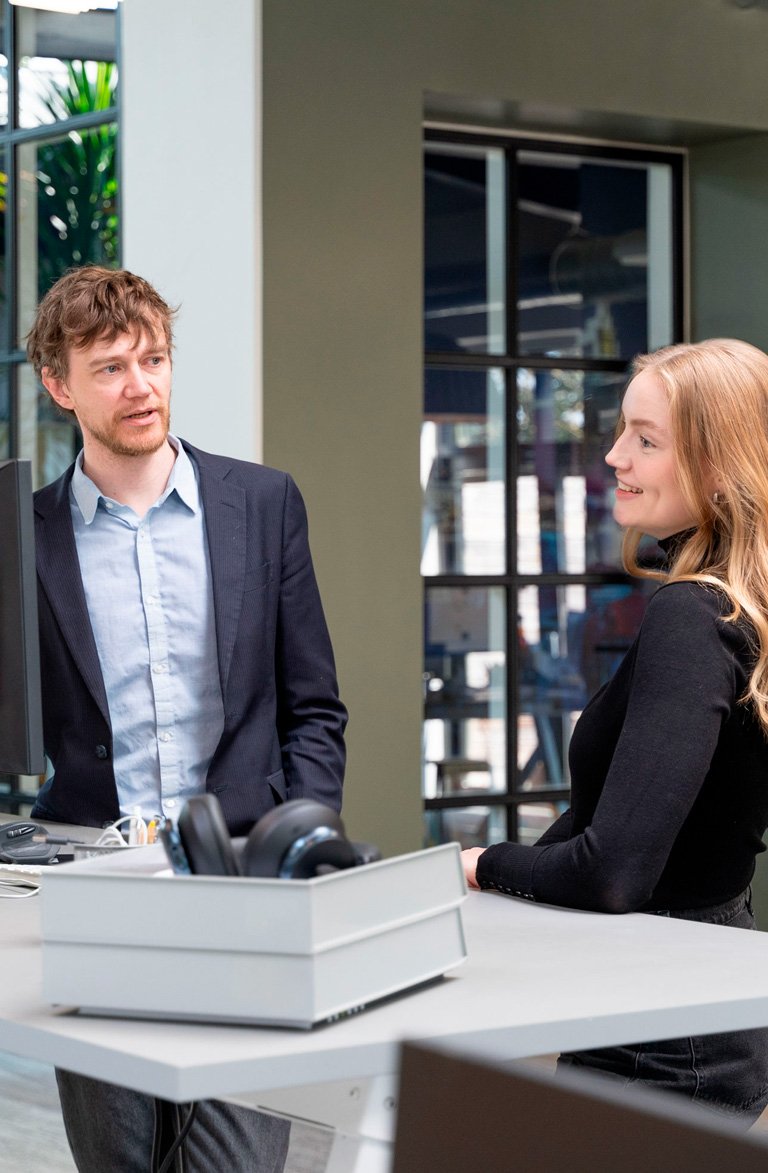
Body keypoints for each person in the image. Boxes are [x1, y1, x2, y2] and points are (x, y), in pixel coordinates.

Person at [28, 265, 348, 1171]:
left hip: (244, 882)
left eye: (154, 359)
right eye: (110, 368)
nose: (141, 386)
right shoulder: (24, 531)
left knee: (236, 1159)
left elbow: (314, 704)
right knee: (121, 1163)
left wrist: (300, 835)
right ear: (59, 386)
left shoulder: (263, 502)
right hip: (99, 896)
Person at [462, 338, 768, 1126]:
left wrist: (481, 863)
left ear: (719, 464)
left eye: (645, 439)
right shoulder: (733, 608)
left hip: (668, 1031)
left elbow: (614, 871)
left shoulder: (694, 614)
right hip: (685, 1006)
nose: (614, 454)